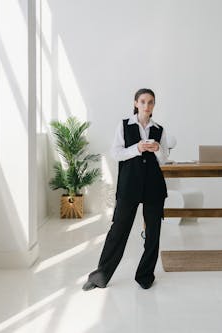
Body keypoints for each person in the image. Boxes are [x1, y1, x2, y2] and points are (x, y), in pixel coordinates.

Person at [82, 88, 169, 290]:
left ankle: (145, 276)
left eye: (151, 102)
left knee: (153, 232)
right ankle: (100, 276)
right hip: (130, 185)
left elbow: (164, 160)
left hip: (154, 186)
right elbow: (116, 153)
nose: (147, 105)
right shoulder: (124, 125)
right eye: (143, 101)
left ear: (154, 105)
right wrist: (137, 148)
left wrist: (158, 150)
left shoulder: (160, 129)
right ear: (136, 103)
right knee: (118, 230)